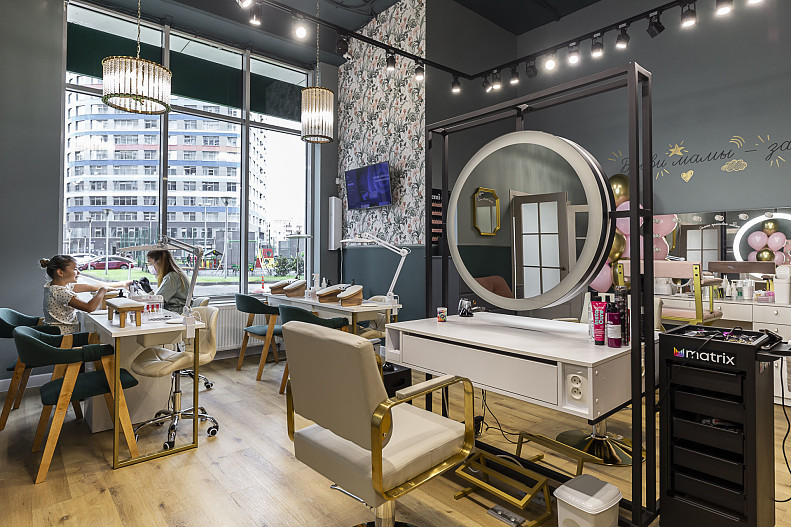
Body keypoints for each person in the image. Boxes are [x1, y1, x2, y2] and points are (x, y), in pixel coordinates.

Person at [40, 255, 131, 334]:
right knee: (97, 337)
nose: (79, 272)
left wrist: (122, 284)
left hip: (56, 333)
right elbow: (89, 307)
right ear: (60, 272)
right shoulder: (60, 292)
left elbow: (94, 286)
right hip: (63, 337)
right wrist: (102, 291)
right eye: (75, 269)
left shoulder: (57, 286)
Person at [147, 249, 189, 314]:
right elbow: (159, 298)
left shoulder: (171, 277)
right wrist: (149, 291)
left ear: (159, 262)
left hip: (176, 313)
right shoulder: (176, 275)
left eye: (151, 263)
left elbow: (156, 302)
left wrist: (148, 291)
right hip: (176, 312)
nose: (150, 267)